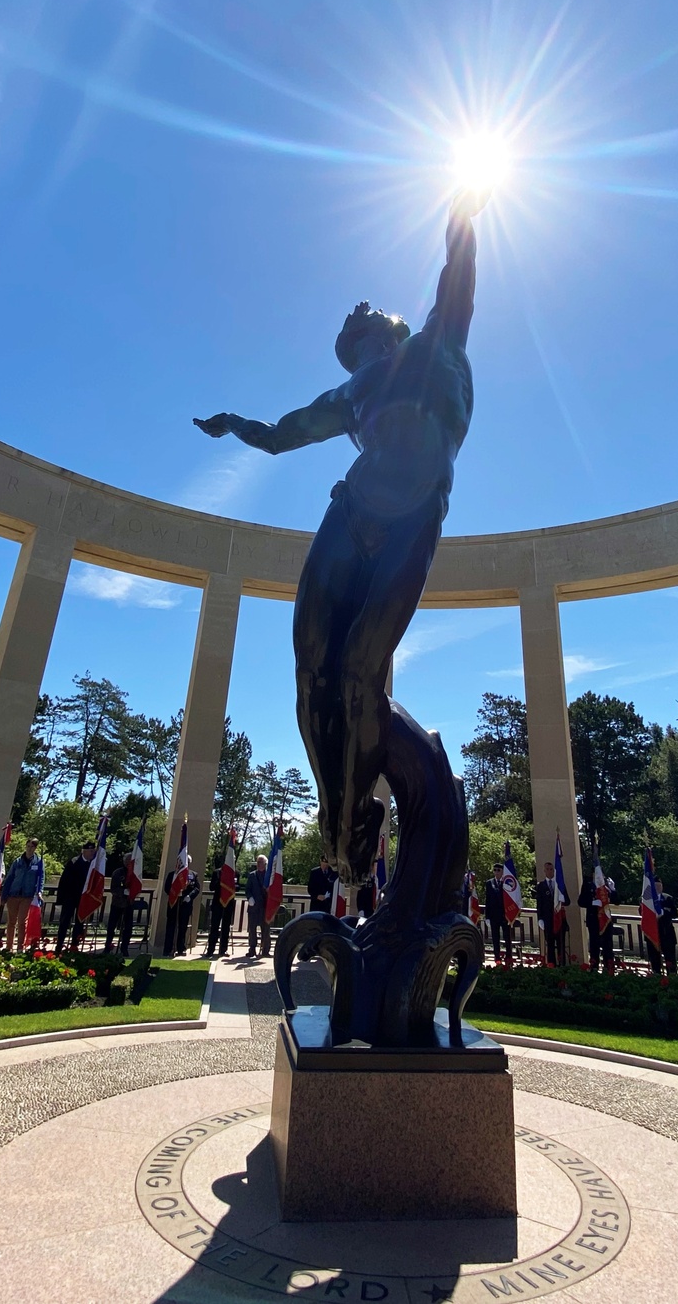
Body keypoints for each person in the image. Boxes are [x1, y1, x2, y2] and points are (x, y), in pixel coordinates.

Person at [196, 191, 487, 886]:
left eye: (367, 344)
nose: (360, 357)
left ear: (390, 336)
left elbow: (459, 279)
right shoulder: (350, 396)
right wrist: (234, 422)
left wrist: (465, 208)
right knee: (310, 670)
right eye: (351, 352)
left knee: (360, 672)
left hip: (413, 517)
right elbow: (278, 436)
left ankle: (356, 818)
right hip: (351, 510)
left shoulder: (434, 349)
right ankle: (338, 818)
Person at [0, 837, 44, 953]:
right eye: (28, 846)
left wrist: (40, 891)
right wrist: (4, 895)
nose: (29, 849)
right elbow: (9, 878)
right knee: (11, 921)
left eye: (32, 847)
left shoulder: (38, 862)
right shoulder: (18, 861)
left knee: (22, 921)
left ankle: (20, 946)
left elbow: (41, 878)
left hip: (27, 895)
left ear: (35, 848)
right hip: (13, 894)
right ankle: (9, 946)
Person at [56, 840, 94, 953]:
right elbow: (63, 881)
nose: (92, 853)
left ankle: (74, 945)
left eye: (93, 851)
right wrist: (59, 900)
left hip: (82, 898)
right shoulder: (74, 862)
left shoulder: (93, 865)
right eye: (91, 851)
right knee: (64, 922)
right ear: (84, 851)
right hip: (70, 897)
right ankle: (59, 945)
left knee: (79, 922)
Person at [577, 868, 616, 973]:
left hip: (606, 921)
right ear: (594, 874)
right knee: (594, 945)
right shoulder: (587, 885)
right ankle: (594, 967)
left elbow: (617, 901)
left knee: (608, 945)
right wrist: (592, 903)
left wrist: (613, 889)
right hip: (593, 920)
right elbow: (581, 902)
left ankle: (609, 967)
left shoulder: (606, 887)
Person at [535, 860, 569, 967]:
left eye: (551, 869)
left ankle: (562, 965)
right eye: (547, 869)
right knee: (550, 945)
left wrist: (562, 897)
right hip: (548, 920)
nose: (550, 872)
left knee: (561, 945)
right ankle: (551, 965)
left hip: (559, 920)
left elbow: (568, 901)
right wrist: (540, 919)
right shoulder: (541, 886)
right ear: (544, 871)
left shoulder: (559, 885)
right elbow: (539, 904)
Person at [163, 861, 200, 957]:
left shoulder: (193, 874)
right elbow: (167, 888)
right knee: (171, 926)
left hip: (185, 904)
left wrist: (189, 896)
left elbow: (196, 888)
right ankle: (168, 949)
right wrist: (174, 893)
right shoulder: (172, 874)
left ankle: (181, 948)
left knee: (183, 927)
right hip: (173, 903)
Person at [104, 853, 136, 956]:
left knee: (128, 928)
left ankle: (124, 948)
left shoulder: (135, 874)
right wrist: (123, 892)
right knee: (111, 926)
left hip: (129, 904)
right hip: (117, 903)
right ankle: (108, 946)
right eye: (128, 861)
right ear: (125, 861)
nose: (130, 863)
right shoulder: (118, 873)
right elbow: (113, 888)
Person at [650, 877, 678, 977]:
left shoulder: (668, 898)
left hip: (667, 933)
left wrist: (664, 912)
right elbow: (642, 912)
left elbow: (675, 914)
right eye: (656, 886)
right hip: (652, 933)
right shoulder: (647, 899)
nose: (658, 888)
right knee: (654, 958)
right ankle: (656, 975)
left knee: (670, 958)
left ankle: (672, 976)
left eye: (660, 886)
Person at [485, 863, 513, 966]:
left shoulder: (507, 883)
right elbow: (488, 900)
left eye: (498, 870)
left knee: (507, 938)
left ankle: (509, 957)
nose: (496, 872)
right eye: (495, 870)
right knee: (495, 938)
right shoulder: (489, 883)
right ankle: (497, 958)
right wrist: (487, 916)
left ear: (502, 872)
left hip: (505, 915)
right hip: (493, 915)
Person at [204, 865, 234, 958]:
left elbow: (237, 887)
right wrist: (223, 882)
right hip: (217, 904)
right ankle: (210, 950)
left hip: (228, 905)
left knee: (226, 928)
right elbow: (211, 887)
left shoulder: (235, 872)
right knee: (214, 928)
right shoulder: (217, 872)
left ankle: (223, 950)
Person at [245, 854, 271, 958]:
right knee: (252, 930)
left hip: (265, 907)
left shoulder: (269, 876)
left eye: (261, 862)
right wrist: (250, 897)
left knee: (266, 930)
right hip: (254, 907)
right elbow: (247, 889)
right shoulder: (252, 875)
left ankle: (265, 950)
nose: (259, 864)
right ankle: (252, 949)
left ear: (265, 864)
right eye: (258, 862)